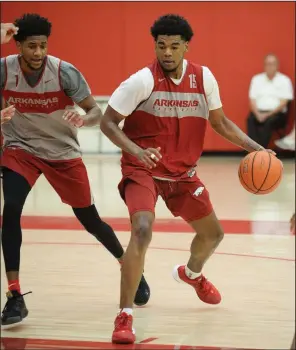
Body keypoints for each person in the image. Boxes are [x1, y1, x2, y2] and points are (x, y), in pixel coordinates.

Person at [100, 14, 275, 344]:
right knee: (142, 229)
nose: (167, 53)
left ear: (186, 48)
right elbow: (108, 123)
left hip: (182, 174)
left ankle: (192, 275)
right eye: (161, 46)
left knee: (214, 235)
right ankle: (125, 315)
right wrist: (135, 152)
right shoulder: (140, 81)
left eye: (174, 47)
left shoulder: (204, 78)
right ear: (155, 46)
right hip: (144, 169)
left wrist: (257, 150)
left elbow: (221, 124)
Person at [0, 13, 150, 329]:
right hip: (20, 149)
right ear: (19, 46)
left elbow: (96, 111)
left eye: (42, 46)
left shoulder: (64, 72)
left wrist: (85, 119)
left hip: (62, 154)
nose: (38, 52)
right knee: (11, 208)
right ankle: (15, 294)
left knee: (91, 220)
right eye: (31, 46)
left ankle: (130, 268)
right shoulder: (4, 70)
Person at [247, 54, 294, 149]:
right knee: (250, 120)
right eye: (268, 64)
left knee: (269, 122)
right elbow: (252, 100)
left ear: (277, 65)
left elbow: (284, 103)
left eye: (272, 64)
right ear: (264, 65)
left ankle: (261, 151)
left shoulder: (284, 80)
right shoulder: (256, 79)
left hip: (277, 114)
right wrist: (257, 114)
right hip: (258, 112)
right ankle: (252, 150)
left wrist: (268, 114)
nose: (270, 66)